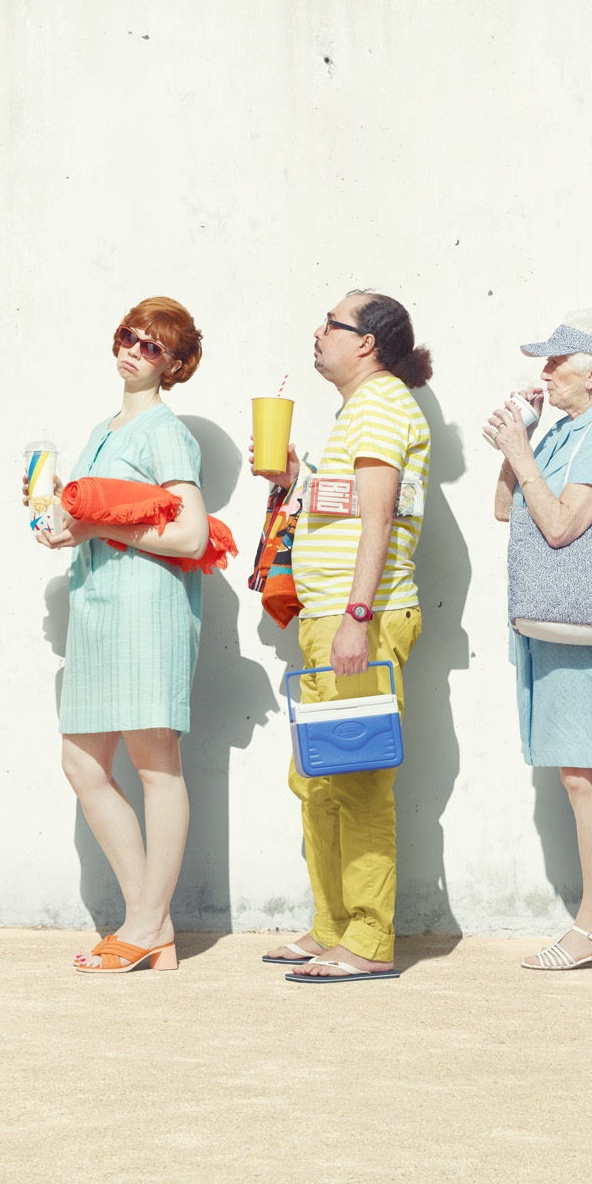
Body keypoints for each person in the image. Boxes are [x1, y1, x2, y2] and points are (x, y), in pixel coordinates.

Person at [256, 291, 432, 983]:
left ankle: (367, 937)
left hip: (358, 618)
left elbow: (381, 517)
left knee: (357, 780)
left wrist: (358, 616)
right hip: (330, 616)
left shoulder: (384, 405)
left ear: (367, 342)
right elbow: (353, 505)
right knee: (320, 778)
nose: (318, 331)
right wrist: (295, 479)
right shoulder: (359, 410)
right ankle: (333, 925)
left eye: (332, 322)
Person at [45, 297, 210, 974]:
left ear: (174, 363)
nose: (134, 350)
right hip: (98, 605)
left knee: (154, 765)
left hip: (147, 606)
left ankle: (144, 924)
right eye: (127, 336)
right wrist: (60, 519)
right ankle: (154, 922)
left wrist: (96, 526)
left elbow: (192, 534)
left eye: (151, 345)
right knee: (83, 762)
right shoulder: (101, 429)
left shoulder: (167, 432)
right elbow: (97, 515)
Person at [484, 308, 592, 972]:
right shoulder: (567, 429)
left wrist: (522, 451)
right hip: (552, 616)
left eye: (557, 360)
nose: (544, 371)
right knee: (577, 769)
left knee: (583, 772)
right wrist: (517, 443)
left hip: (580, 618)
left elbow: (559, 527)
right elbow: (504, 508)